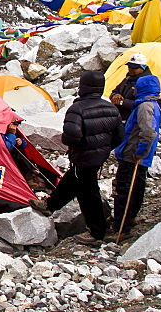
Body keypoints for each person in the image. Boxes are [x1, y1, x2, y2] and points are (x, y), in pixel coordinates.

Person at [29, 70, 124, 245]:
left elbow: (72, 136)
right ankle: (51, 205)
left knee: (88, 192)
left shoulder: (77, 109)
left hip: (82, 156)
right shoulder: (111, 108)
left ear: (83, 87)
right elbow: (119, 136)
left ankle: (97, 232)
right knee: (76, 181)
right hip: (98, 157)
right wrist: (103, 149)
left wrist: (71, 142)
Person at [110, 74, 161, 238]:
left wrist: (139, 152)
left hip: (132, 156)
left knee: (124, 191)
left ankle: (120, 227)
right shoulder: (152, 105)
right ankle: (130, 218)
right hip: (141, 158)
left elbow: (148, 133)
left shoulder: (144, 107)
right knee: (137, 188)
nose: (134, 89)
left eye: (137, 87)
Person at [110, 52, 153, 120]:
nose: (130, 69)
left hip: (134, 118)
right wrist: (115, 95)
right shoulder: (128, 79)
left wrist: (122, 102)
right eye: (129, 66)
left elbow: (143, 103)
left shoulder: (147, 82)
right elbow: (115, 90)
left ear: (142, 68)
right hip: (121, 116)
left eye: (134, 68)